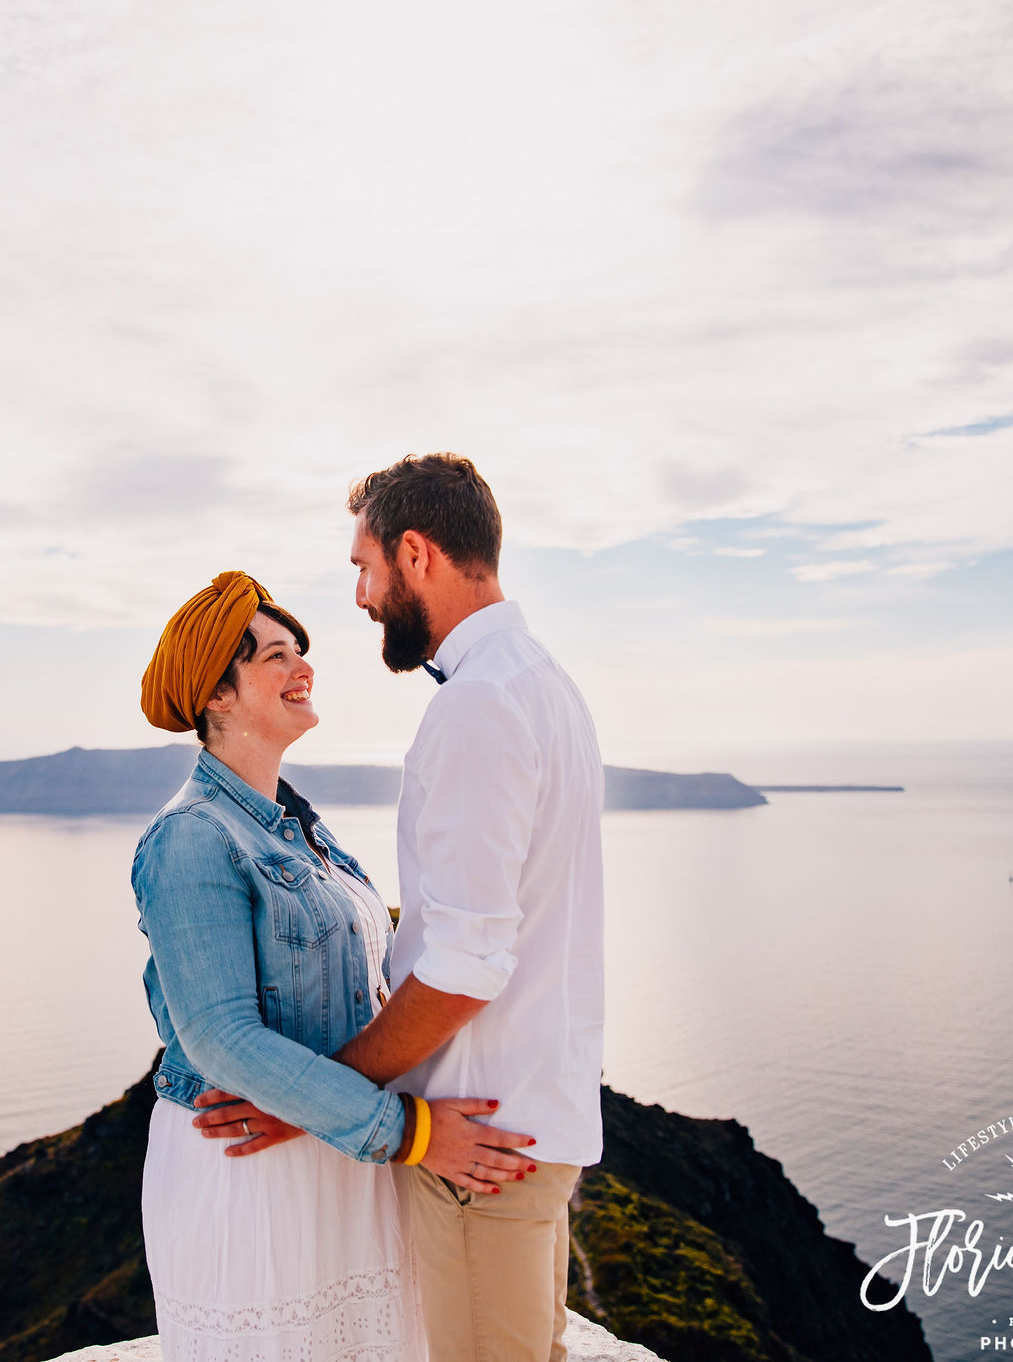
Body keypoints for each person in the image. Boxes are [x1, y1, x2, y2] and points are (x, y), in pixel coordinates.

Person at [195, 457, 606, 1362]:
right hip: (531, 1121)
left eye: (364, 567)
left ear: (415, 553)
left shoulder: (478, 707)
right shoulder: (544, 685)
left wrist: (324, 1095)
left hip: (479, 1140)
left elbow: (465, 965)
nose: (359, 596)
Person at [132, 570, 537, 1362]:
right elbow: (219, 1038)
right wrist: (412, 1131)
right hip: (251, 1175)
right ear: (216, 696)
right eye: (276, 656)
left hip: (337, 1151)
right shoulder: (190, 837)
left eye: (299, 651)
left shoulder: (301, 829)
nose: (302, 668)